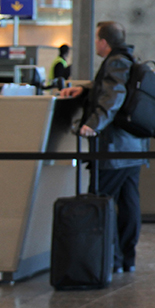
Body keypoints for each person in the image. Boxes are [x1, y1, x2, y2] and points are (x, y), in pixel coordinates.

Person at [58, 21, 145, 273]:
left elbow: (114, 94)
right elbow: (110, 88)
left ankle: (112, 259)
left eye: (97, 39)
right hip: (133, 147)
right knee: (129, 203)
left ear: (104, 42)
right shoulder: (129, 58)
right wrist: (85, 89)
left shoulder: (115, 61)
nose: (95, 43)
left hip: (115, 148)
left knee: (102, 199)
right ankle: (126, 259)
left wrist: (93, 124)